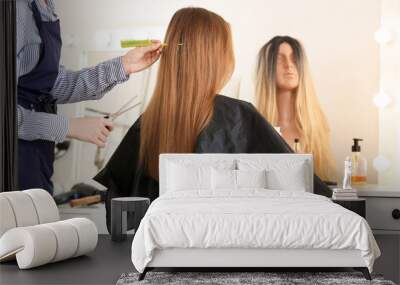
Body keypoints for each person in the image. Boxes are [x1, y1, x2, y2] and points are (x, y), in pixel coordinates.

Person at [94, 7, 331, 231]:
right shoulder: (241, 117)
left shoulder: (146, 125)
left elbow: (118, 215)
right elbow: (303, 184)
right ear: (216, 58)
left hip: (163, 261)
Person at [16, 0, 162, 193]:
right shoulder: (13, 12)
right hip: (12, 161)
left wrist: (124, 65)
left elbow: (53, 85)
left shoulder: (46, 6)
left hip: (38, 159)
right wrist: (70, 126)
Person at [255, 36, 335, 181]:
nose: (289, 65)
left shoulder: (317, 129)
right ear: (267, 68)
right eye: (280, 59)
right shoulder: (254, 127)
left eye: (294, 58)